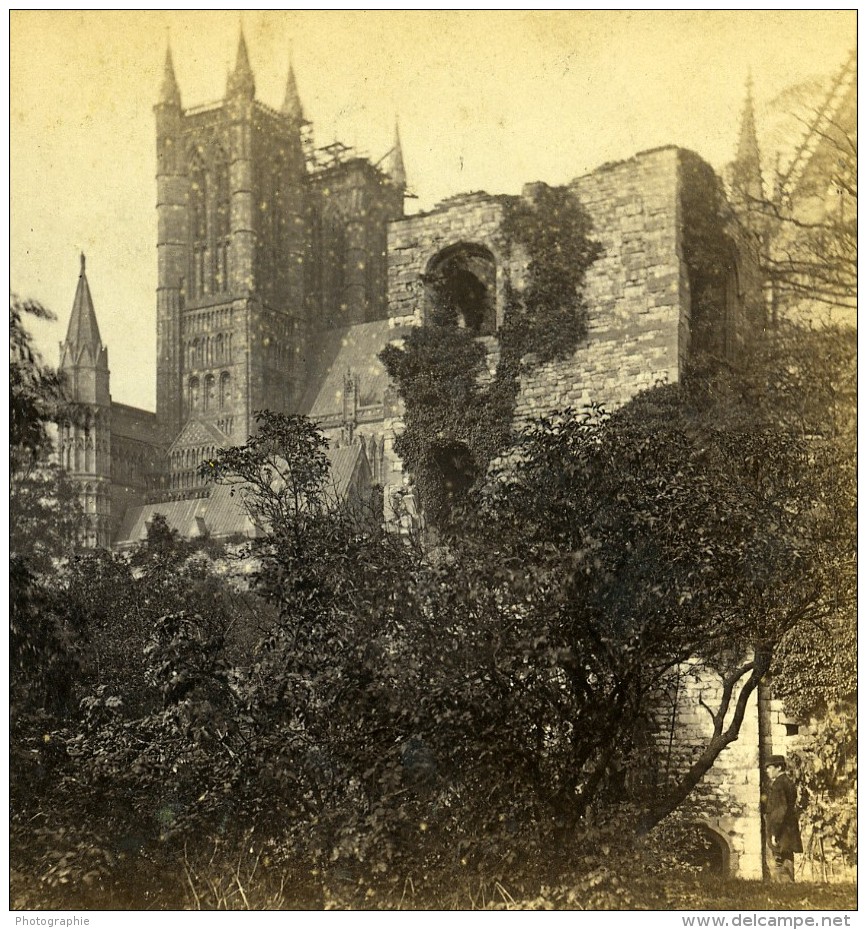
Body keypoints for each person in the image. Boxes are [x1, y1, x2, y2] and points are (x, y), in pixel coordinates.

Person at [764, 754, 803, 882]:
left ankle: (783, 892)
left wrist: (775, 833)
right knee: (787, 859)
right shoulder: (788, 782)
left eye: (769, 767)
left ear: (779, 767)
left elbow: (780, 810)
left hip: (782, 831)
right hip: (788, 829)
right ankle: (788, 893)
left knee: (779, 863)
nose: (767, 771)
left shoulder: (779, 785)